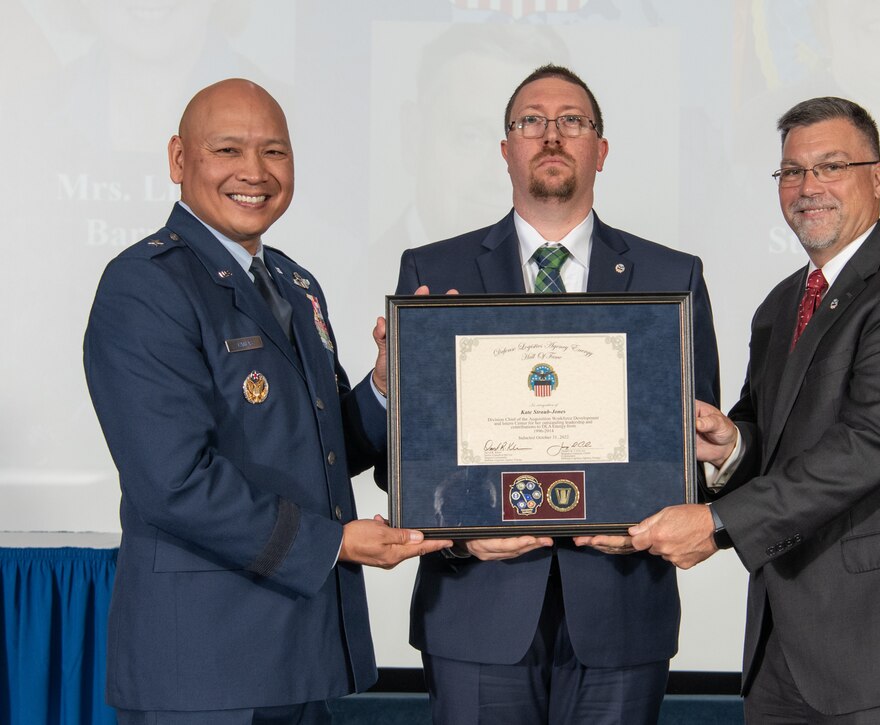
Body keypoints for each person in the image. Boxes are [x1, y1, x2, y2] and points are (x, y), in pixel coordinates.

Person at [83, 78, 450, 724]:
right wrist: (336, 544)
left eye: (274, 152)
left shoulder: (291, 281)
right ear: (178, 159)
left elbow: (329, 443)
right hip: (203, 668)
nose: (254, 172)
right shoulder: (144, 287)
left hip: (298, 653)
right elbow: (173, 482)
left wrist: (387, 383)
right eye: (227, 150)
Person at [630, 96, 880, 722]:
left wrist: (717, 523)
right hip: (784, 650)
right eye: (792, 171)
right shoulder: (781, 303)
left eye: (831, 166)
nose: (808, 187)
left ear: (877, 178)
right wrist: (732, 445)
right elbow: (774, 437)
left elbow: (868, 446)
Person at [386, 64, 720, 724]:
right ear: (505, 148)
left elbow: (695, 439)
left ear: (601, 149)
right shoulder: (435, 270)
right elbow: (410, 453)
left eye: (573, 121)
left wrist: (654, 518)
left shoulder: (670, 275)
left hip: (621, 608)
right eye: (530, 122)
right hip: (477, 607)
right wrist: (460, 536)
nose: (551, 135)